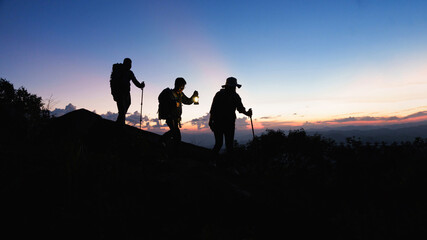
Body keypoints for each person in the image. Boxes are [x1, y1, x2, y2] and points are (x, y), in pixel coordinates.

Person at [209, 77, 252, 155]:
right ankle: (227, 163)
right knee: (227, 145)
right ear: (230, 86)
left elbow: (213, 109)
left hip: (220, 123)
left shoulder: (220, 95)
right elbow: (240, 109)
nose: (234, 88)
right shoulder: (234, 96)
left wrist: (210, 121)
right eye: (234, 87)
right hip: (227, 123)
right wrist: (247, 113)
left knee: (220, 144)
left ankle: (212, 161)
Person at [160, 77, 198, 143]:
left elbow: (188, 101)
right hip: (170, 118)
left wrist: (193, 96)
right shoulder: (169, 94)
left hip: (176, 119)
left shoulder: (180, 95)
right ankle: (162, 141)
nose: (182, 88)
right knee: (176, 134)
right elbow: (162, 101)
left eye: (183, 87)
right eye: (181, 86)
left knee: (175, 134)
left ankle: (165, 143)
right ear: (177, 85)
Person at [110, 58, 145, 124]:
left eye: (130, 63)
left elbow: (135, 81)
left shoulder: (129, 72)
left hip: (126, 92)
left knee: (125, 107)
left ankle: (119, 122)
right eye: (129, 63)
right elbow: (114, 82)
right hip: (119, 92)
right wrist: (114, 93)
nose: (130, 65)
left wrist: (141, 85)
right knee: (122, 109)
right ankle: (120, 124)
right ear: (126, 63)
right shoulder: (120, 71)